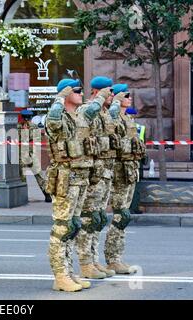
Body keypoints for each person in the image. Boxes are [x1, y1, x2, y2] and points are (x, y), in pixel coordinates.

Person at [45, 78, 107, 292]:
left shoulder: (79, 116)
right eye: (77, 91)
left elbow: (94, 110)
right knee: (62, 227)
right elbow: (52, 122)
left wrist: (105, 96)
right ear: (65, 94)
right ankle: (60, 275)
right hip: (65, 177)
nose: (81, 94)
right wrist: (60, 97)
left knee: (73, 226)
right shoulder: (57, 115)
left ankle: (70, 273)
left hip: (81, 177)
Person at [76, 76, 118, 280]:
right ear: (96, 92)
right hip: (93, 174)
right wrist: (99, 99)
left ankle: (93, 260)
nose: (112, 95)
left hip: (105, 173)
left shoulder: (104, 114)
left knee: (98, 219)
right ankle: (85, 263)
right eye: (108, 92)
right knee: (88, 219)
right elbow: (86, 118)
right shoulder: (88, 109)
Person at [104, 83, 146, 274]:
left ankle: (118, 258)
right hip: (119, 172)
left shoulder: (128, 118)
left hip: (130, 170)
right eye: (126, 95)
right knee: (120, 215)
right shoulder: (114, 118)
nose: (130, 98)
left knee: (124, 217)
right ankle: (112, 259)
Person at [18, 109, 51, 202]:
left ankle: (47, 194)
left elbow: (37, 139)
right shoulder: (17, 127)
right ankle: (22, 196)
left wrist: (26, 134)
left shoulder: (35, 127)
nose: (26, 120)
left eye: (28, 118)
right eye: (25, 118)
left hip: (32, 154)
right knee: (22, 177)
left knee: (39, 174)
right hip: (21, 155)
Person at [126, 107, 146, 215]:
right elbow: (144, 145)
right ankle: (133, 207)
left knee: (127, 184)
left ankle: (127, 208)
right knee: (136, 184)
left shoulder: (122, 126)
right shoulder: (140, 128)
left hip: (126, 160)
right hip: (137, 161)